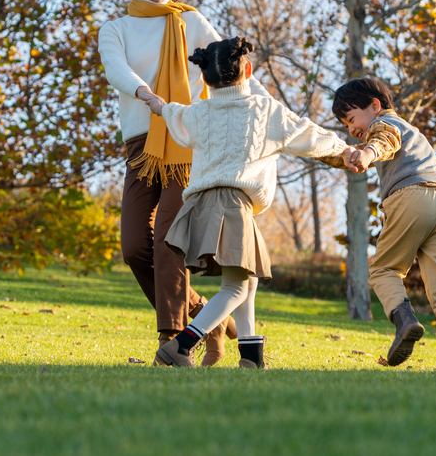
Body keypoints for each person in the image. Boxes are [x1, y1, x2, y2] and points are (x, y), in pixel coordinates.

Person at [97, 0, 272, 366]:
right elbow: (116, 69)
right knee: (134, 247)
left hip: (188, 141)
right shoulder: (115, 29)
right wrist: (146, 96)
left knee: (167, 240)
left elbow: (232, 66)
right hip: (141, 146)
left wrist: (267, 110)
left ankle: (174, 343)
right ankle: (210, 317)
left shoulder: (191, 22)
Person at [150, 37, 357, 369]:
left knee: (246, 282)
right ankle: (180, 346)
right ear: (247, 70)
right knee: (235, 287)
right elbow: (308, 134)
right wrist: (344, 150)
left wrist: (157, 104)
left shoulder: (200, 112)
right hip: (232, 204)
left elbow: (174, 116)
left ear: (204, 79)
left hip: (202, 205)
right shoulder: (264, 109)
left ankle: (250, 358)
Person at [332, 76, 436, 373]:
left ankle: (405, 321)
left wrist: (368, 153)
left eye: (352, 118)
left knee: (383, 270)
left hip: (411, 197)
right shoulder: (412, 130)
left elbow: (383, 141)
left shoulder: (384, 125)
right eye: (346, 125)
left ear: (375, 106)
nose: (352, 128)